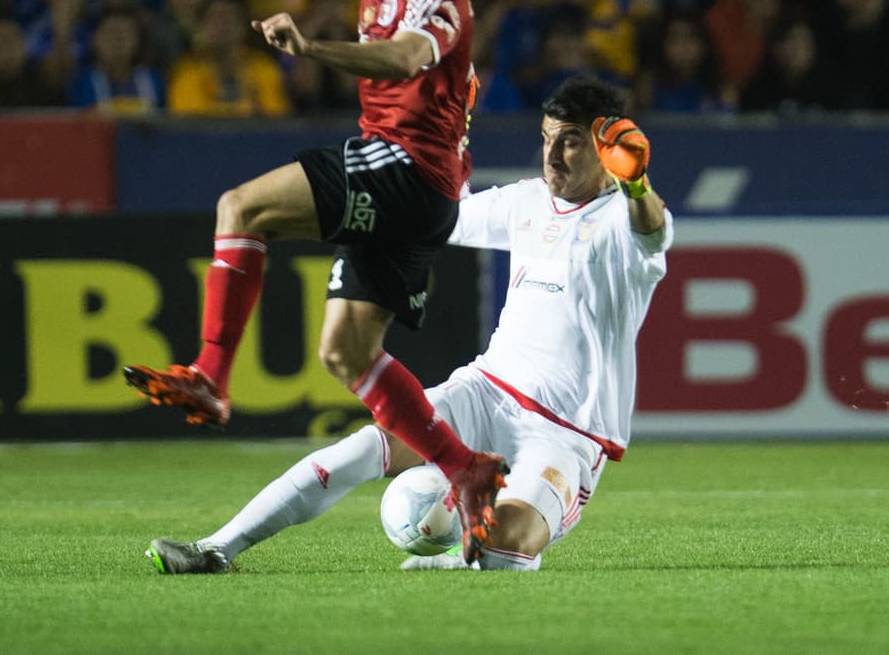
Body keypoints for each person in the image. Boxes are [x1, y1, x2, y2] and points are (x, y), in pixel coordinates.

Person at [122, 0, 507, 562]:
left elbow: (398, 59)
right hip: (418, 187)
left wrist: (310, 46)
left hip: (405, 170)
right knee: (346, 352)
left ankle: (210, 375)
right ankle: (465, 468)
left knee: (241, 208)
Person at [144, 76, 671, 574]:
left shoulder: (623, 220)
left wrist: (637, 183)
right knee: (357, 450)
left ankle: (455, 557)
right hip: (485, 392)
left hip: (564, 432)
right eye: (547, 138)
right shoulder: (526, 201)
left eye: (572, 142)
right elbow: (435, 218)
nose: (553, 155)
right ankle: (215, 549)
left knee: (505, 550)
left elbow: (653, 230)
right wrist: (322, 211)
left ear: (607, 150)